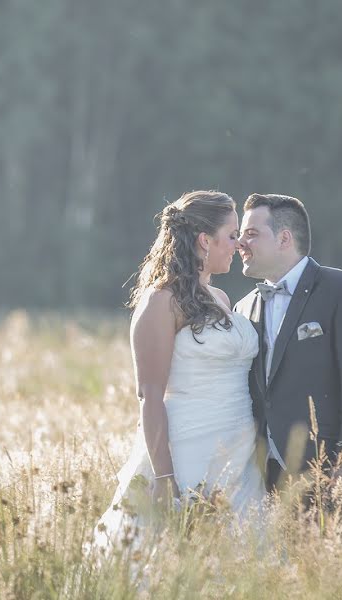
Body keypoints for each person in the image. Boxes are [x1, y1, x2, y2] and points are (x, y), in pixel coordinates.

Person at [90, 190, 265, 551]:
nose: (238, 245)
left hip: (239, 450)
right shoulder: (161, 301)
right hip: (188, 450)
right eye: (232, 236)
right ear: (205, 240)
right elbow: (149, 395)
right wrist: (165, 477)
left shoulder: (220, 299)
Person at [233, 193, 342, 495]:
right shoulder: (244, 307)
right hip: (267, 482)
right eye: (240, 234)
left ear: (284, 238)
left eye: (251, 234)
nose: (240, 243)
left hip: (333, 473)